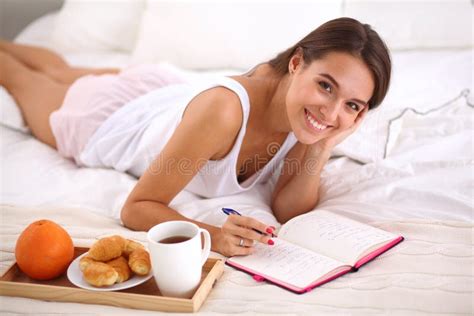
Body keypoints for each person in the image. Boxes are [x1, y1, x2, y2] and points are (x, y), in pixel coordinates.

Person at [0, 17, 391, 257]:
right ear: (295, 63)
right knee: (23, 80)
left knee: (61, 70)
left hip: (165, 94)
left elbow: (289, 209)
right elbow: (138, 207)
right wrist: (213, 236)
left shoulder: (309, 118)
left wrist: (323, 143)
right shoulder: (225, 111)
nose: (332, 111)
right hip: (110, 119)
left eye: (353, 105)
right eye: (326, 86)